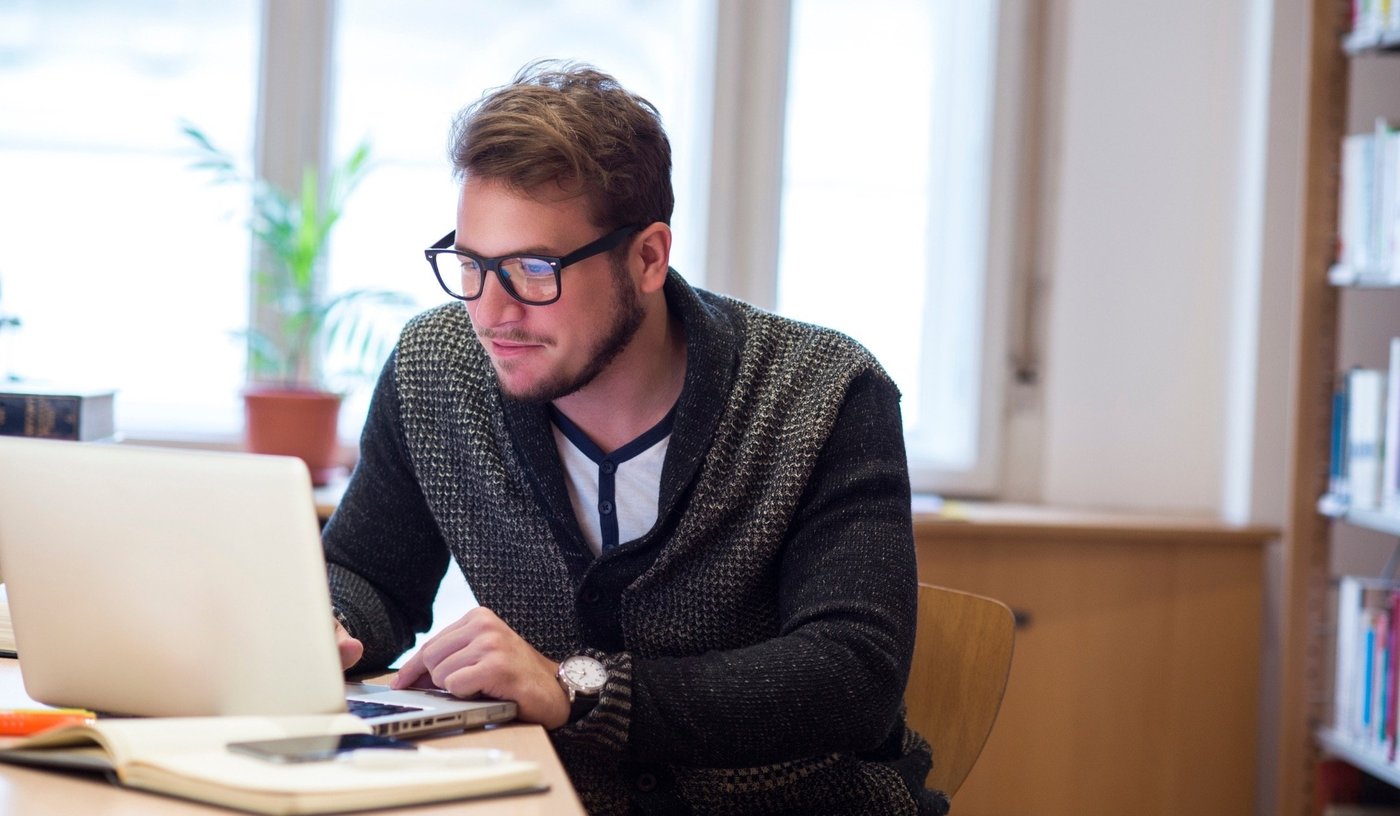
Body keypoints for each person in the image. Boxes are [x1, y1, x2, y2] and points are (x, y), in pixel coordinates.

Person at [323, 60, 944, 816]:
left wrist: (577, 691)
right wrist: (332, 624)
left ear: (647, 257)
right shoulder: (437, 368)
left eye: (532, 267)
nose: (492, 312)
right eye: (472, 265)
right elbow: (371, 573)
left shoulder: (822, 392)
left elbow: (853, 677)